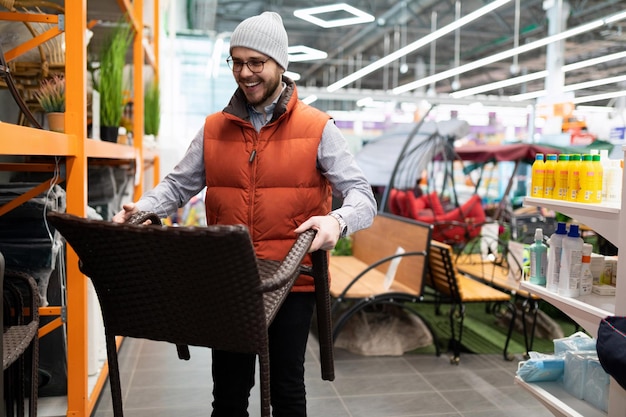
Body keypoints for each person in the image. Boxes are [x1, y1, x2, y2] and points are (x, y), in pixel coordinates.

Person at [113, 11, 377, 417]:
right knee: (229, 393)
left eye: (256, 62)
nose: (245, 72)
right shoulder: (214, 128)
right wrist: (143, 208)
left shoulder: (318, 128)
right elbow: (177, 185)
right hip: (230, 281)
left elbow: (362, 197)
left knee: (287, 389)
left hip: (292, 282)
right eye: (237, 61)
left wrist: (336, 221)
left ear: (280, 65)